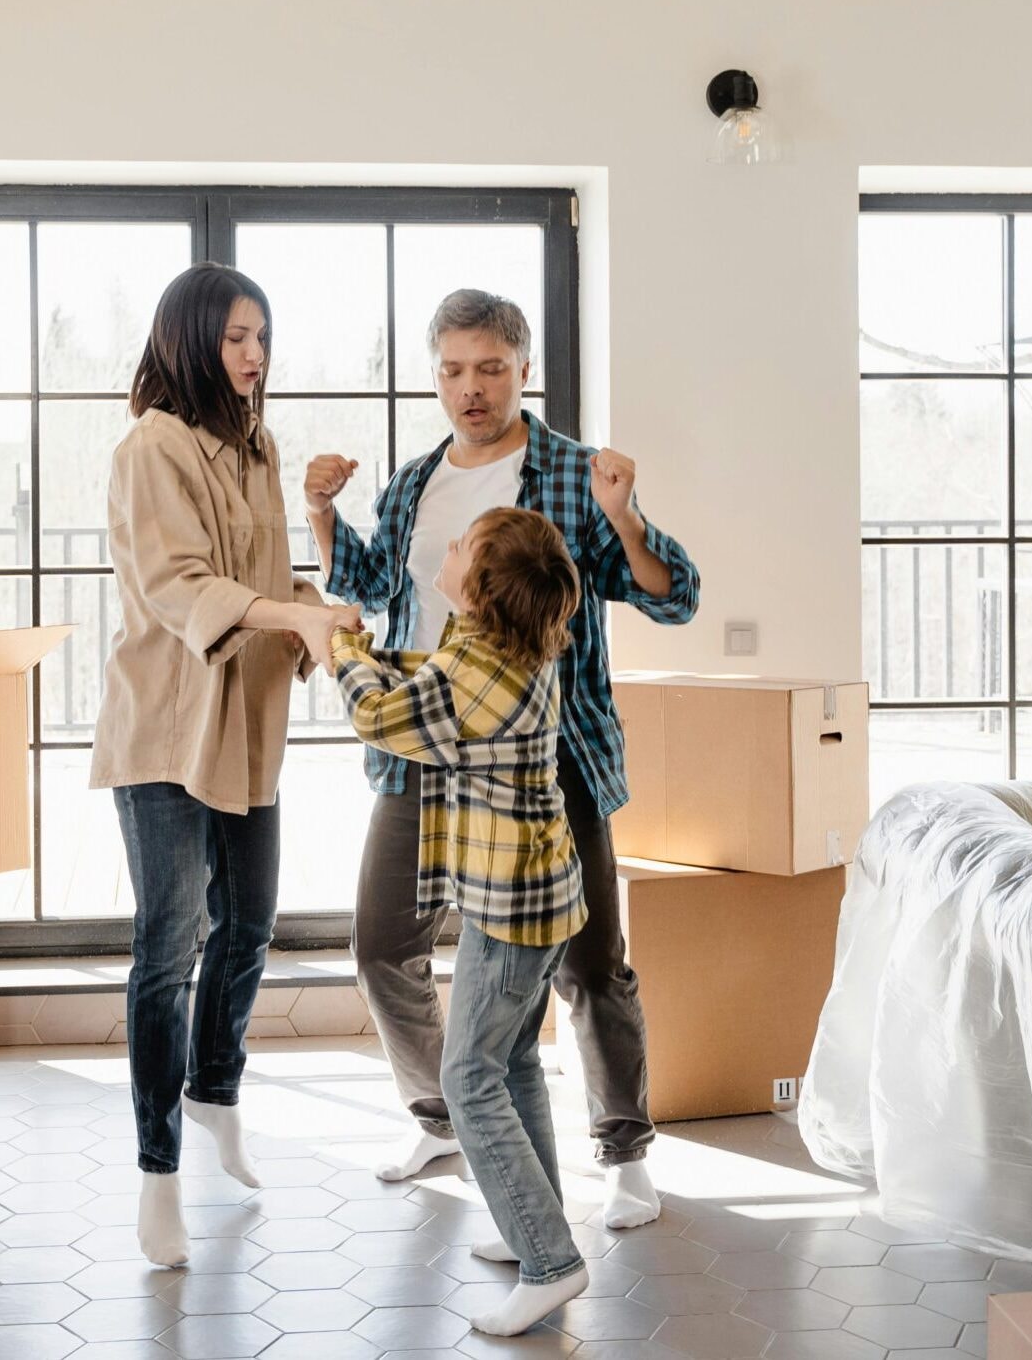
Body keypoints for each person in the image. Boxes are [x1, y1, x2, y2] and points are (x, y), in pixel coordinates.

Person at [306, 288, 700, 1231]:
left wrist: (627, 519)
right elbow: (367, 584)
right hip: (431, 753)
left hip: (548, 760)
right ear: (435, 376)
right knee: (381, 944)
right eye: (451, 370)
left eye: (489, 368)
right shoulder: (413, 482)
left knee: (592, 961)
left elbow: (672, 596)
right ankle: (445, 1114)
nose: (470, 389)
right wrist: (320, 510)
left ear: (524, 370)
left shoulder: (573, 475)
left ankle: (622, 1147)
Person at [90, 262, 357, 1269]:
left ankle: (214, 1092)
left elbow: (255, 576)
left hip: (243, 721)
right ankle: (157, 1171)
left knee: (247, 923)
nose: (254, 355)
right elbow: (176, 584)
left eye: (263, 337)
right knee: (169, 945)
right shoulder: (150, 447)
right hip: (165, 727)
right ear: (191, 339)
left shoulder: (257, 447)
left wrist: (314, 603)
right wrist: (289, 614)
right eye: (237, 337)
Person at [299, 507, 590, 1336]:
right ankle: (535, 1225)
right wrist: (357, 647)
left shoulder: (482, 674)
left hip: (513, 912)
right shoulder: (493, 644)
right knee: (512, 1067)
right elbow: (424, 671)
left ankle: (551, 1263)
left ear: (484, 587)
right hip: (535, 896)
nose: (450, 548)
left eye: (462, 545)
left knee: (467, 1079)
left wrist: (337, 650)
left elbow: (384, 718)